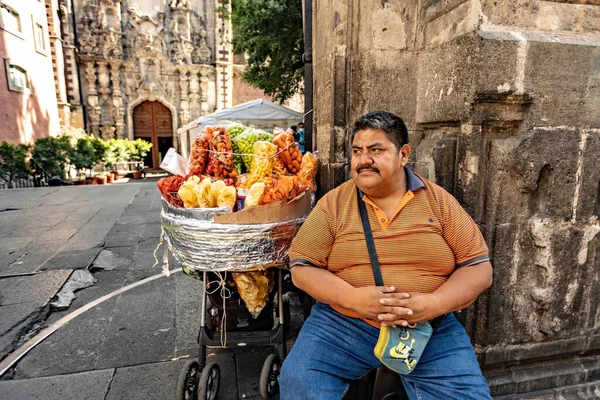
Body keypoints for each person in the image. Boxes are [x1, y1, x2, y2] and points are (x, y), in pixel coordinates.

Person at [278, 111, 493, 400]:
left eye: (376, 150)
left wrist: (432, 304)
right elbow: (302, 267)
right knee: (299, 381)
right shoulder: (334, 204)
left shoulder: (439, 202)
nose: (363, 159)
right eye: (357, 151)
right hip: (343, 325)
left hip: (429, 330)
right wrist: (355, 300)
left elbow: (478, 268)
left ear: (403, 154)